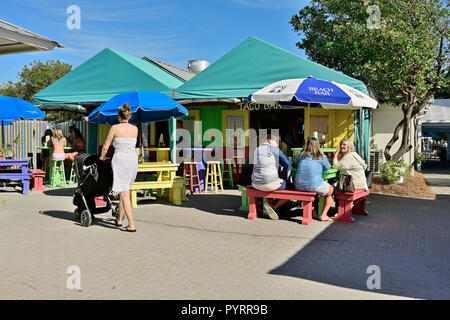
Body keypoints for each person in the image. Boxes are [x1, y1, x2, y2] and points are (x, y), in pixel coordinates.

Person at [100, 104, 138, 232]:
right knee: (124, 189)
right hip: (132, 159)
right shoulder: (135, 129)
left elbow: (106, 146)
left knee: (124, 192)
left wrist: (102, 157)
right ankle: (120, 220)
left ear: (118, 116)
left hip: (121, 159)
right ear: (130, 116)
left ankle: (131, 224)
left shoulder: (114, 128)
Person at [251, 132, 292, 220]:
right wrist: (284, 179)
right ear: (269, 141)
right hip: (269, 184)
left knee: (272, 182)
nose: (277, 144)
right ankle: (274, 207)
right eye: (276, 142)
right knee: (291, 188)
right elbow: (287, 164)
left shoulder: (256, 150)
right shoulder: (274, 149)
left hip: (255, 184)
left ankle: (269, 203)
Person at [295, 137, 334, 222]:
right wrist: (323, 154)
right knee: (330, 191)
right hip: (314, 185)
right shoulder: (320, 156)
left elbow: (296, 166)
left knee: (312, 189)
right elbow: (327, 168)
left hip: (299, 185)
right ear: (318, 146)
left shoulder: (301, 155)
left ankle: (313, 209)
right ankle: (324, 215)